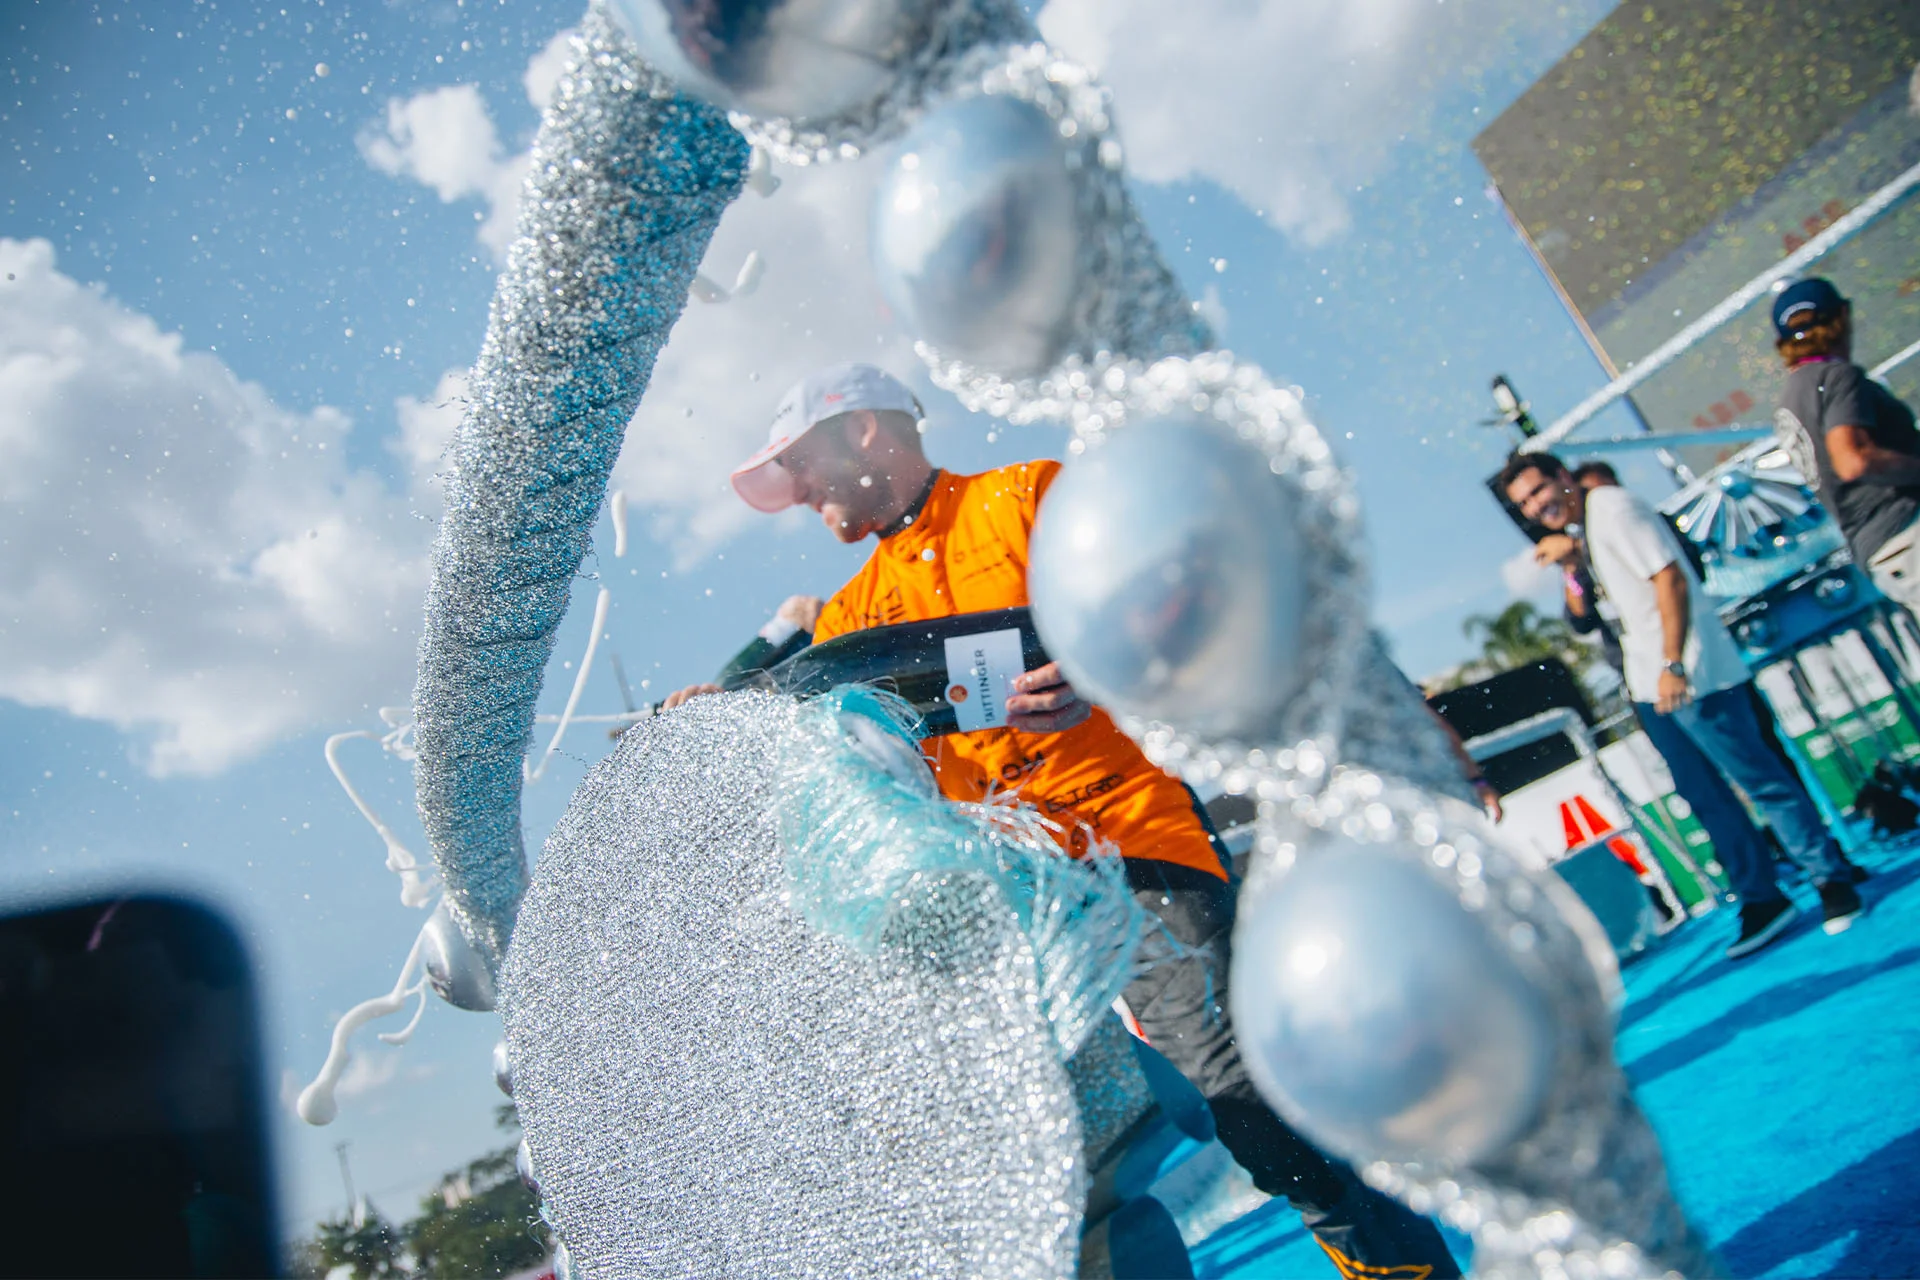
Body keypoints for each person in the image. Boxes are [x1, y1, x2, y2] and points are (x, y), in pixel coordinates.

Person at [676, 362, 1462, 1280]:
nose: (798, 493)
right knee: (1047, 1167)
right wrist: (726, 719)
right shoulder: (847, 620)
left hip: (1132, 842)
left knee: (1242, 1087)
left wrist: (1097, 672)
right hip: (1002, 912)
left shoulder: (1032, 496)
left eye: (800, 464)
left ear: (864, 432)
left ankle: (1397, 1264)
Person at [1501, 451, 1864, 957]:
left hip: (1690, 675)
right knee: (1704, 796)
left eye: (1539, 491)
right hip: (1649, 685)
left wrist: (1673, 663)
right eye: (1523, 504)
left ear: (1563, 477)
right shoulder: (1586, 532)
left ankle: (1832, 880)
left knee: (1759, 777)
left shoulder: (1612, 507)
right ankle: (1762, 897)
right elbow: (1584, 618)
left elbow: (1669, 577)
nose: (1536, 507)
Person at [1770, 277, 1920, 613]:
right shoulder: (1835, 377)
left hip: (1881, 551)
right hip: (1906, 529)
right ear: (1843, 316)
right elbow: (1853, 461)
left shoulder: (1790, 399)